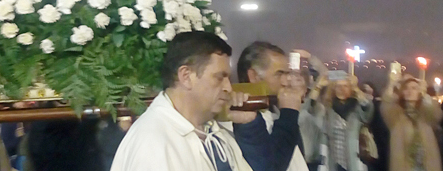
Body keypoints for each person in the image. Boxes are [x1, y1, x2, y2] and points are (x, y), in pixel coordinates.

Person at [110, 31, 255, 171]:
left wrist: (248, 128)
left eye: (228, 78)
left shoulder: (214, 133)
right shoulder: (152, 144)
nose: (228, 88)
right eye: (219, 77)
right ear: (186, 76)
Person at [233, 41, 307, 171]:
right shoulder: (241, 123)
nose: (287, 81)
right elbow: (273, 165)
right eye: (280, 74)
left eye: (287, 74)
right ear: (254, 76)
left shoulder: (273, 113)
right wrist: (289, 113)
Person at [380, 73, 442, 171]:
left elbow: (436, 115)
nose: (410, 91)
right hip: (405, 164)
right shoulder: (396, 114)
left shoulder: (424, 113)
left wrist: (425, 94)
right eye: (406, 88)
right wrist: (392, 84)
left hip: (426, 164)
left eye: (414, 88)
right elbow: (386, 104)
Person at [320, 72, 374, 171]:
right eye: (338, 86)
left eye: (345, 86)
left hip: (355, 161)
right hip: (335, 162)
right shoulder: (329, 109)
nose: (341, 89)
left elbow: (368, 109)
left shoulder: (357, 108)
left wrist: (356, 88)